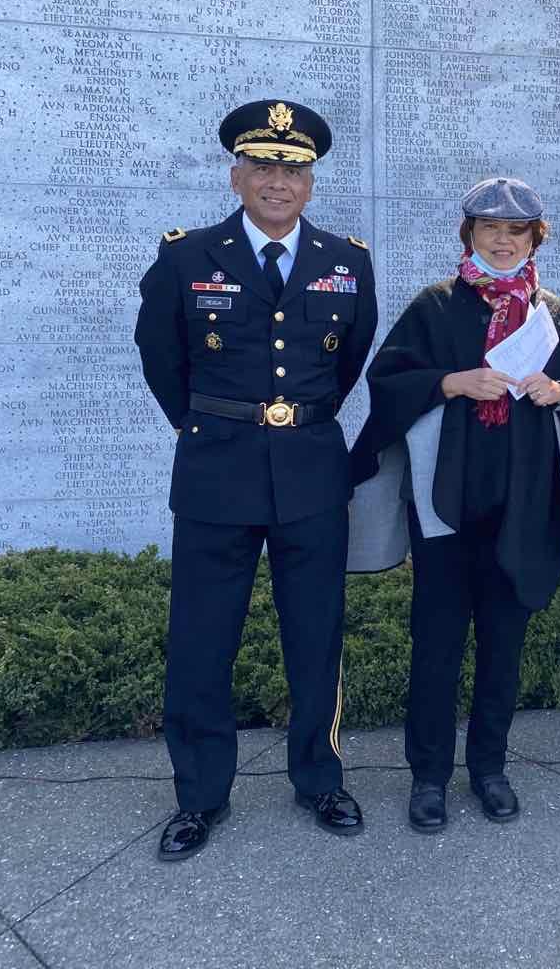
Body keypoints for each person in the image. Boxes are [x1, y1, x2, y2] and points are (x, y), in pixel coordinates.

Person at [134, 98, 377, 861]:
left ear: (311, 182)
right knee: (202, 642)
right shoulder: (186, 256)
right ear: (237, 174)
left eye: (295, 168)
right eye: (265, 166)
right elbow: (161, 359)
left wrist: (298, 418)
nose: (279, 181)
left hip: (309, 470)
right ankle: (200, 796)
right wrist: (206, 420)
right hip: (216, 470)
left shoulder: (348, 261)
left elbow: (346, 363)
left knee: (316, 637)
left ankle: (321, 779)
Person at [347, 177, 560, 831]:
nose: (502, 239)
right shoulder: (436, 308)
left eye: (515, 230)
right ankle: (430, 777)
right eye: (488, 228)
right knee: (435, 646)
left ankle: (490, 769)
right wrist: (450, 380)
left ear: (533, 237)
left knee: (503, 647)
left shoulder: (551, 314)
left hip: (522, 505)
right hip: (446, 509)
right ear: (469, 234)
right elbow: (386, 383)